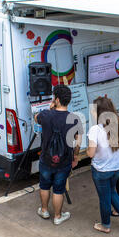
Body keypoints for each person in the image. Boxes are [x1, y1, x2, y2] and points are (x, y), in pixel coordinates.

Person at [35, 84, 83, 225]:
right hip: (64, 161)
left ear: (56, 99)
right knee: (59, 189)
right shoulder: (74, 119)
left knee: (44, 185)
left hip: (46, 159)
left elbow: (36, 118)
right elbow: (78, 141)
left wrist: (50, 108)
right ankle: (57, 216)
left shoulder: (45, 115)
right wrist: (75, 156)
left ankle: (44, 210)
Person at [87, 96, 119, 233]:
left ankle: (105, 225)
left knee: (104, 198)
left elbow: (90, 154)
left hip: (101, 170)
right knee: (112, 192)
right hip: (117, 168)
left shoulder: (95, 129)